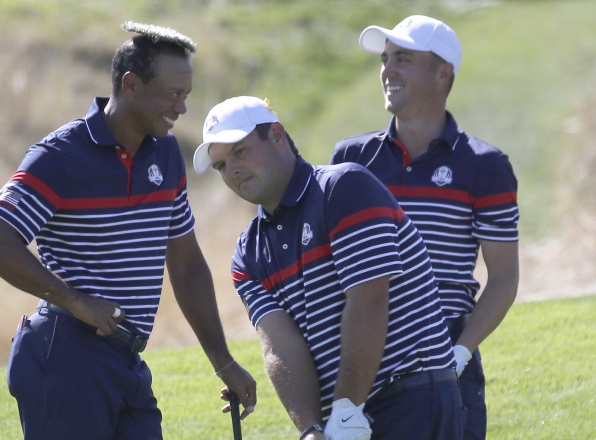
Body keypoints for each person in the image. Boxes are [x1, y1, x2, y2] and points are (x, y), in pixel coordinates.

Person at [0, 22, 256, 440]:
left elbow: (187, 263)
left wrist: (223, 360)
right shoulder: (60, 156)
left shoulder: (167, 155)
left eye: (186, 95)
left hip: (126, 362)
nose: (181, 108)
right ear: (132, 86)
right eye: (173, 95)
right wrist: (75, 300)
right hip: (66, 356)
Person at [193, 96, 464, 440]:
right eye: (220, 166)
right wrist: (311, 429)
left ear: (277, 135)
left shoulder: (344, 188)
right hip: (340, 418)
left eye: (240, 152)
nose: (231, 170)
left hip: (411, 397)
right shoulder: (247, 256)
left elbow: (368, 299)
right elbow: (281, 346)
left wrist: (346, 408)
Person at [330, 15, 520, 439]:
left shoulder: (484, 166)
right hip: (364, 351)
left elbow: (504, 278)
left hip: (445, 352)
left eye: (402, 59)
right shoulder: (351, 159)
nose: (387, 70)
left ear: (442, 73)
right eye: (385, 59)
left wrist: (460, 352)